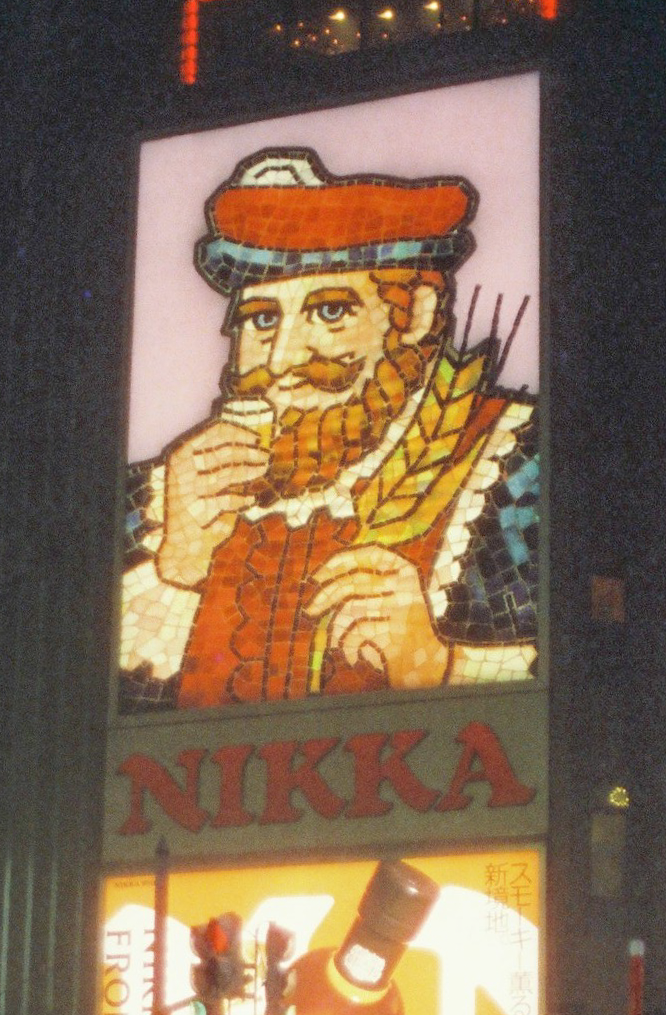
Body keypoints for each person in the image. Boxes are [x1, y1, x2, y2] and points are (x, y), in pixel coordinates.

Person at [119, 148, 537, 713]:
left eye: (330, 312)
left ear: (415, 314)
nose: (284, 359)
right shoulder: (154, 499)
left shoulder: (517, 467)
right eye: (262, 319)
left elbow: (595, 668)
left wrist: (441, 663)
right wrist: (175, 571)